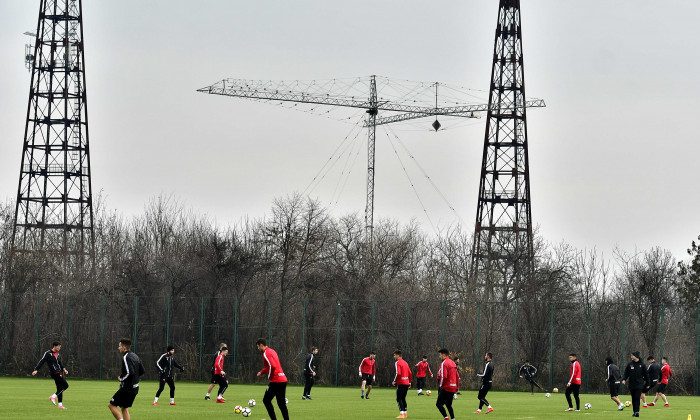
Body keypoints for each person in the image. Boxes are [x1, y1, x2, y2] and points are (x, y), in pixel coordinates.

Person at [108, 339, 145, 420]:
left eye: (119, 346)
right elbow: (142, 371)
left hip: (127, 388)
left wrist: (121, 379)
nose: (118, 348)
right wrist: (134, 379)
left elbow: (130, 372)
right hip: (135, 387)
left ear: (124, 348)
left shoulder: (126, 357)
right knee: (124, 407)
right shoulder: (135, 356)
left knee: (111, 405)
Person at [256, 338, 289, 420]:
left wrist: (270, 376)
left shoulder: (266, 353)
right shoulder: (272, 351)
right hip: (283, 379)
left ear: (261, 345)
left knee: (266, 400)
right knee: (281, 403)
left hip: (276, 380)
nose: (258, 349)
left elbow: (272, 366)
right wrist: (262, 372)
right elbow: (270, 366)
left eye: (258, 347)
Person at [32, 341, 69, 409]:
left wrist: (64, 369)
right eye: (58, 347)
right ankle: (53, 396)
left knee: (59, 388)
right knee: (66, 385)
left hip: (59, 372)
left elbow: (60, 363)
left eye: (60, 347)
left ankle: (60, 405)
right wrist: (36, 370)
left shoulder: (58, 354)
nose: (59, 348)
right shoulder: (48, 353)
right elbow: (42, 361)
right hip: (55, 372)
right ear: (54, 346)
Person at [622, 351, 649, 418]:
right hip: (632, 384)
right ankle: (635, 412)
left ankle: (637, 412)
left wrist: (648, 383)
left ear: (636, 356)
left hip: (639, 384)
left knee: (637, 398)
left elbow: (646, 375)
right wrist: (624, 379)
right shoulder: (630, 364)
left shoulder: (642, 365)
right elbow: (626, 373)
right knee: (633, 398)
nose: (631, 356)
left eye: (632, 355)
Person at [435, 348, 457, 420]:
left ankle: (446, 418)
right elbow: (457, 376)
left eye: (440, 355)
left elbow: (444, 376)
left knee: (438, 404)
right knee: (448, 404)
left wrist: (440, 386)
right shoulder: (453, 363)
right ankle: (453, 418)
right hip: (453, 387)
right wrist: (457, 387)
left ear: (443, 354)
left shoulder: (444, 363)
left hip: (446, 387)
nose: (439, 356)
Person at [392, 350, 412, 419]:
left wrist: (394, 381)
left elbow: (398, 373)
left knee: (399, 398)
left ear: (398, 355)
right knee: (403, 398)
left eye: (394, 355)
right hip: (406, 383)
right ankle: (405, 413)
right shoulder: (405, 363)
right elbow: (410, 373)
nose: (394, 356)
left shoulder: (397, 363)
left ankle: (401, 414)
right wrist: (409, 382)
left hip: (401, 383)